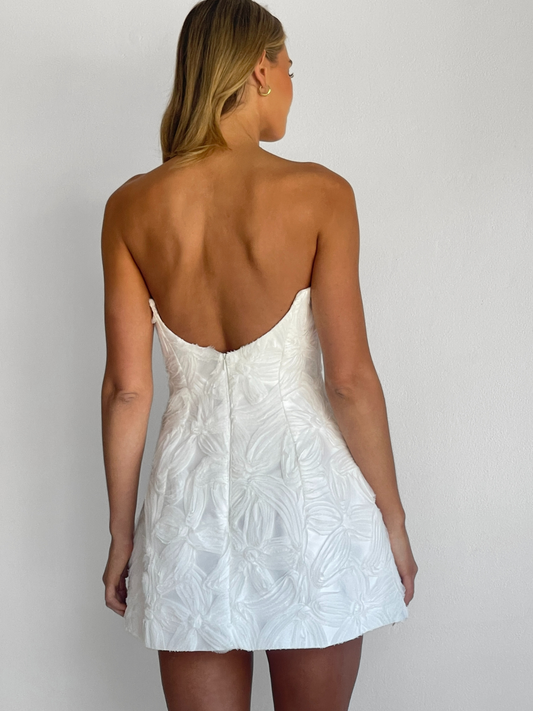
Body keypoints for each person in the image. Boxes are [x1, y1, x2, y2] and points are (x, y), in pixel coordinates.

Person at [100, 0, 418, 709]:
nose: (291, 85)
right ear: (260, 70)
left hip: (188, 512)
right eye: (290, 68)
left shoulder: (130, 207)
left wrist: (122, 534)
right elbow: (349, 382)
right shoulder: (319, 194)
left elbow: (127, 390)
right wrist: (392, 519)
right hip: (306, 503)